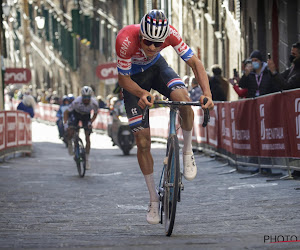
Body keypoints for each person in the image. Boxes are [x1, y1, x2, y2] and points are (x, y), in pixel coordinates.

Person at [115, 9, 213, 225]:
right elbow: (122, 80)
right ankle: (153, 200)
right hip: (133, 79)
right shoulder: (124, 40)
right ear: (140, 34)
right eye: (147, 41)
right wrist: (141, 93)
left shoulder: (171, 34)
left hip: (158, 69)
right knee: (142, 142)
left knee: (184, 100)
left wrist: (207, 93)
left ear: (163, 41)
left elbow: (195, 63)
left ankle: (187, 151)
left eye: (157, 44)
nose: (151, 47)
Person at [63, 86, 98, 170]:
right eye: (84, 97)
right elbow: (66, 112)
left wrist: (90, 122)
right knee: (71, 130)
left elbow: (95, 114)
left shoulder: (94, 103)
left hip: (86, 116)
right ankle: (70, 143)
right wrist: (66, 124)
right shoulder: (76, 102)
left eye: (88, 97)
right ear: (81, 96)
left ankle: (87, 159)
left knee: (87, 136)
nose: (86, 99)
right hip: (76, 114)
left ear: (90, 97)